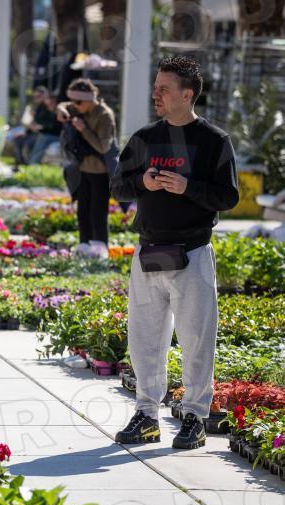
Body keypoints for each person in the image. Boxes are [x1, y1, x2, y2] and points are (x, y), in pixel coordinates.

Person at [110, 56, 239, 449]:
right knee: (145, 340)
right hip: (148, 251)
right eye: (156, 87)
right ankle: (147, 416)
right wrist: (144, 182)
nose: (156, 94)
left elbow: (228, 196)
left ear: (187, 94)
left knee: (196, 340)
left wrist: (189, 188)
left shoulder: (214, 141)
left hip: (193, 253)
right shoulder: (144, 138)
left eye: (164, 89)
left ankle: (195, 418)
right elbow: (118, 186)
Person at [57, 78, 117, 259]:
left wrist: (83, 129)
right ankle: (84, 247)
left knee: (97, 214)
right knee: (82, 212)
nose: (74, 106)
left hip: (101, 173)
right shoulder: (79, 106)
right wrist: (61, 110)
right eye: (73, 102)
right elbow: (63, 105)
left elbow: (103, 148)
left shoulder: (104, 115)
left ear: (90, 99)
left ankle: (100, 251)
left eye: (78, 102)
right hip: (83, 171)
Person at [11, 86, 48, 163]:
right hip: (30, 133)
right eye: (35, 96)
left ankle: (29, 163)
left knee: (28, 144)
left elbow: (43, 125)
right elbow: (25, 122)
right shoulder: (32, 107)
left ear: (44, 96)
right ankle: (20, 163)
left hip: (40, 134)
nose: (36, 98)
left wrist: (34, 123)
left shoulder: (47, 108)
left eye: (39, 96)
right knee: (17, 140)